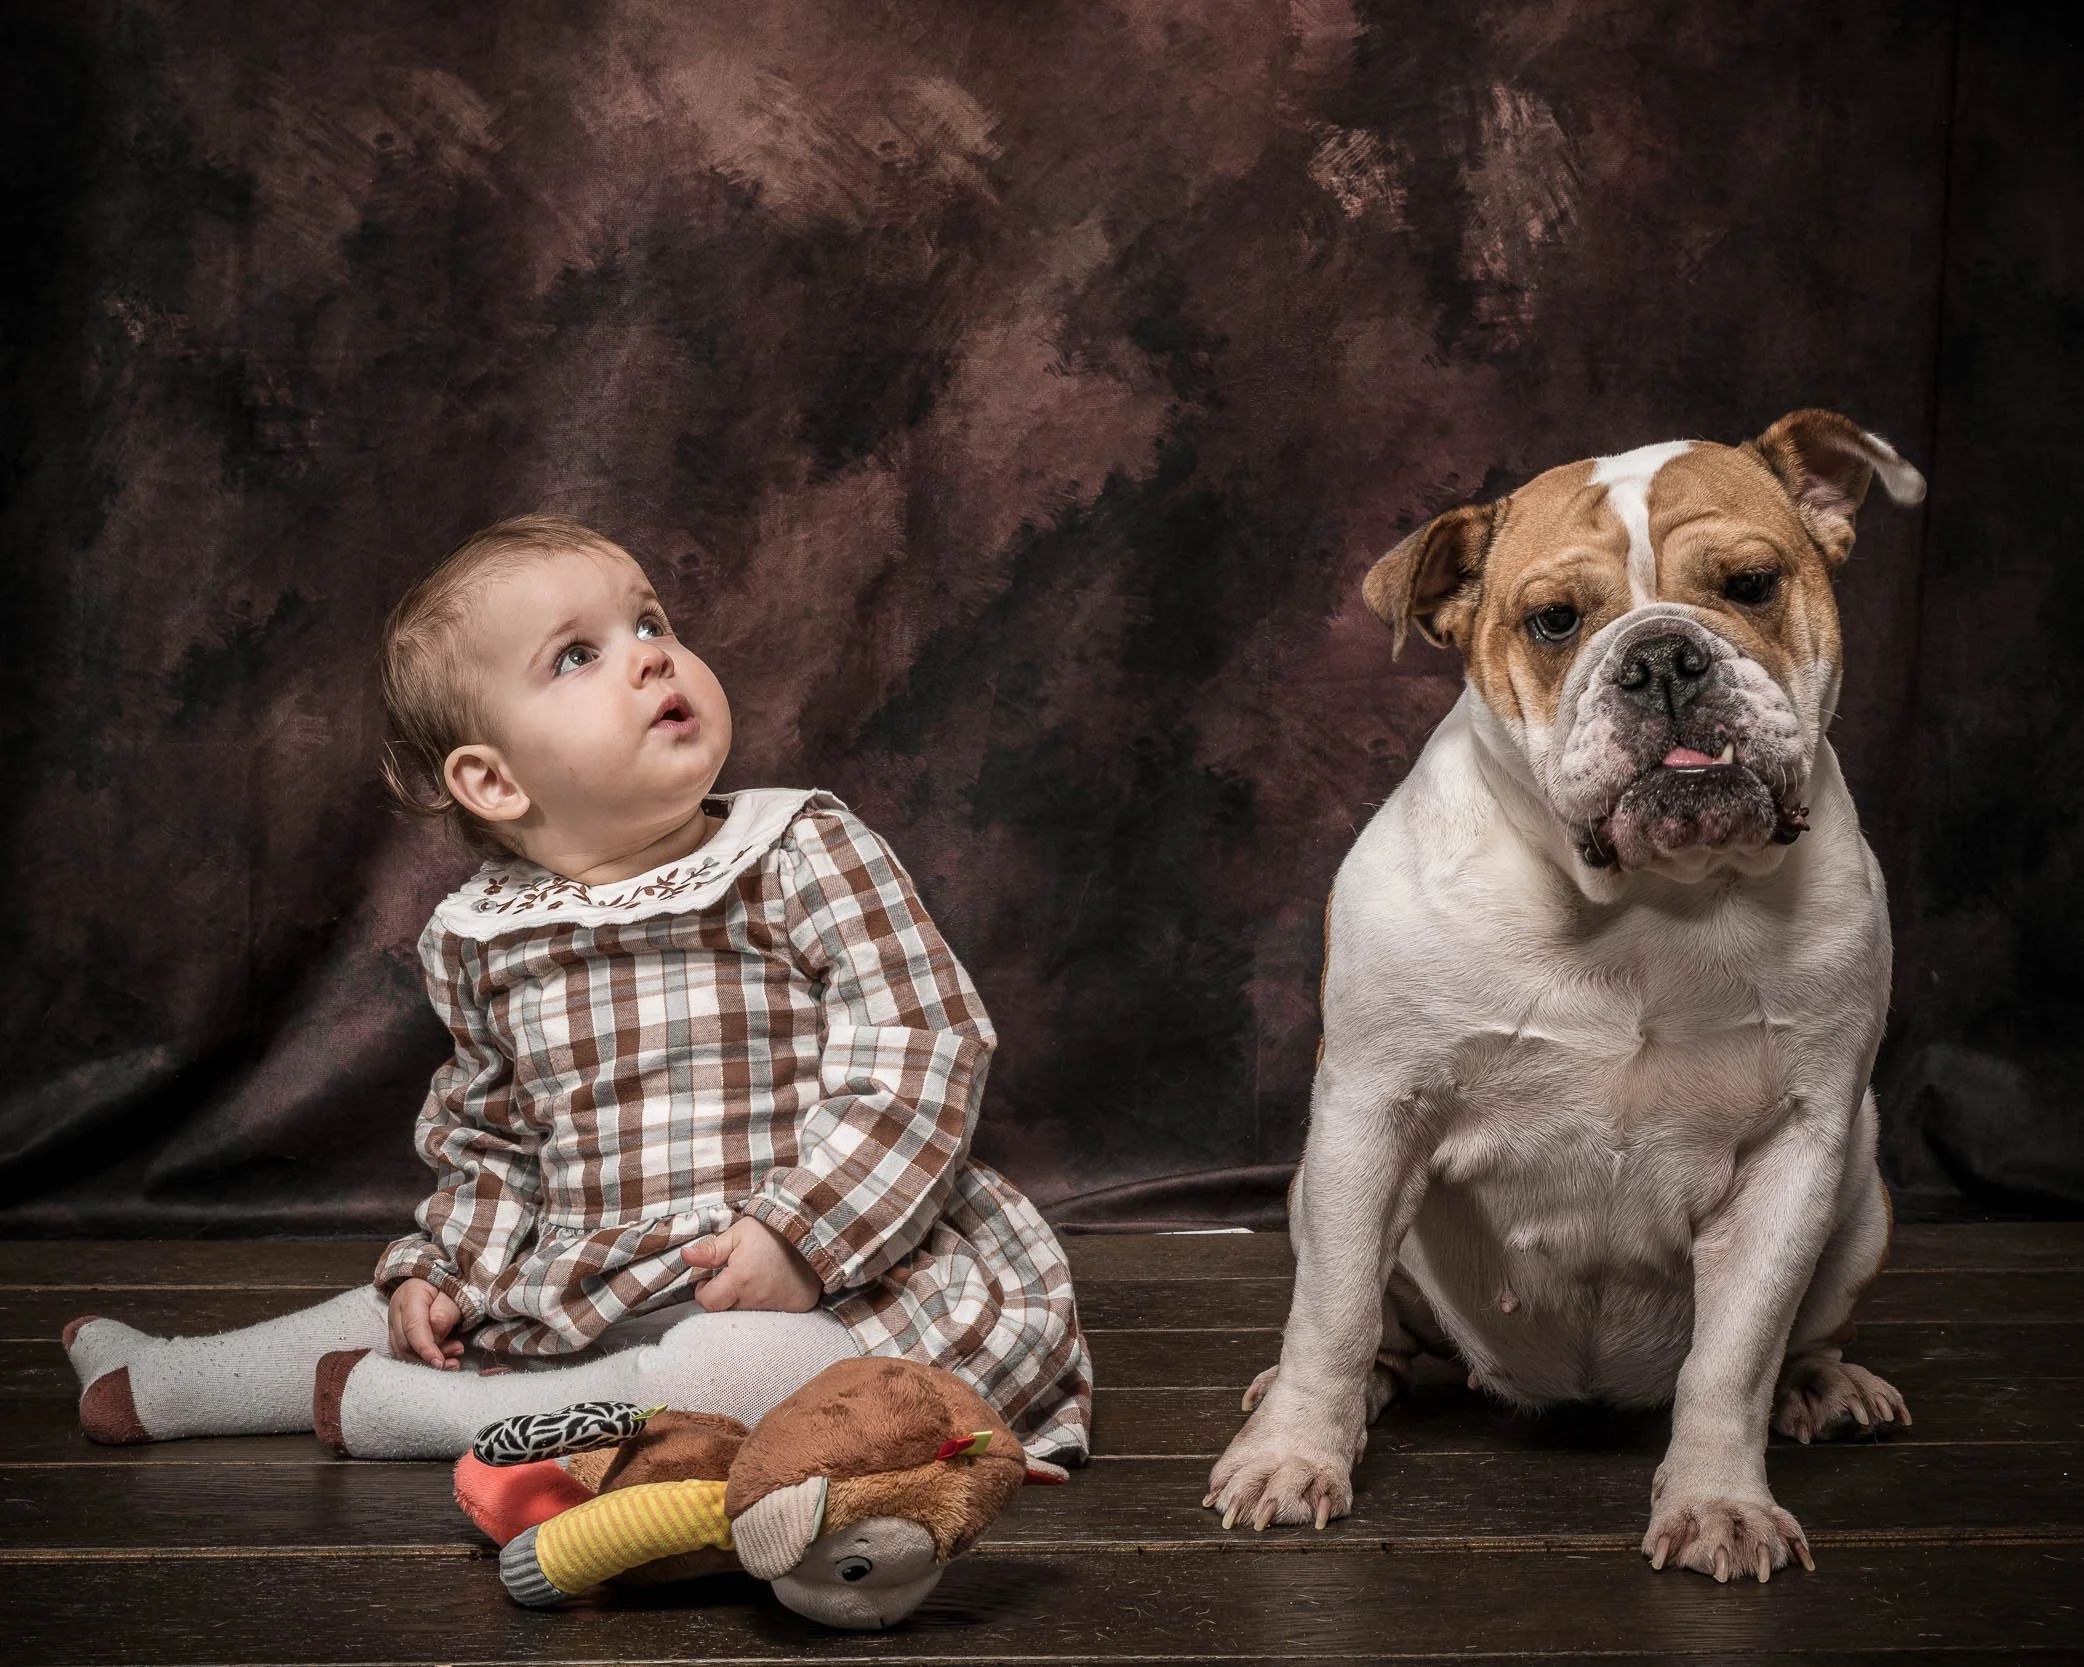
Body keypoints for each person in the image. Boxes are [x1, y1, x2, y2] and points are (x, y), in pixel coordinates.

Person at [63, 515, 1090, 1463]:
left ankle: (454, 1419)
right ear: (495, 781)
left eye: (650, 621)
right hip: (599, 1278)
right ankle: (169, 1378)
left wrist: (802, 1235)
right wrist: (449, 1267)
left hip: (830, 1276)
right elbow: (493, 1137)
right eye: (576, 655)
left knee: (745, 1373)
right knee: (406, 1311)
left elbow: (923, 1049)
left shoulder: (798, 848)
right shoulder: (485, 934)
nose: (650, 654)